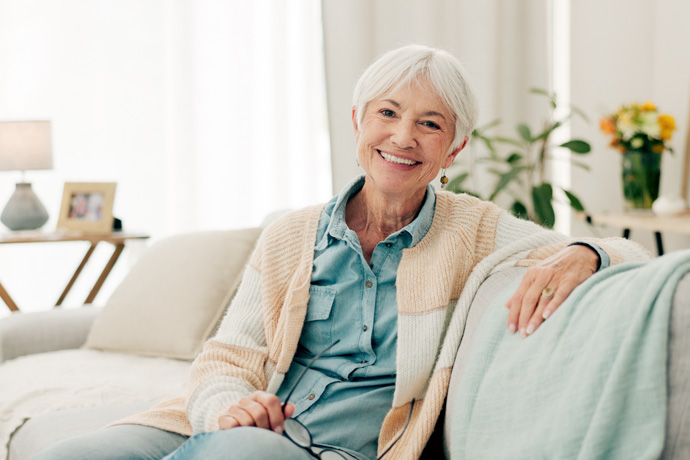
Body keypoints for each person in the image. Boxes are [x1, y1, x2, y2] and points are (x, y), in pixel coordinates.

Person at [33, 45, 649, 460]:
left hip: (320, 449)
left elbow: (632, 256)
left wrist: (587, 253)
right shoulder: (292, 235)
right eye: (388, 112)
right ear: (358, 120)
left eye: (431, 124)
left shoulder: (473, 229)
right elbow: (229, 354)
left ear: (453, 150)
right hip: (235, 427)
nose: (403, 137)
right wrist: (227, 408)